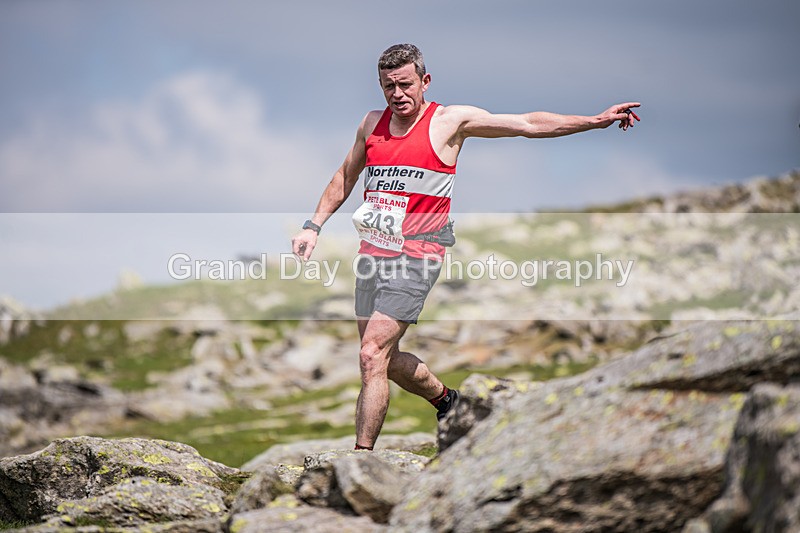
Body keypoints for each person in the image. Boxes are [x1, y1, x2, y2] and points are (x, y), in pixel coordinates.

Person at [292, 43, 640, 451]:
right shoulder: (372, 124)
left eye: (405, 85)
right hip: (373, 254)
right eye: (388, 87)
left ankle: (361, 459)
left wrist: (595, 121)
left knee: (371, 355)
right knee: (384, 359)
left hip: (418, 254)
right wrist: (313, 225)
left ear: (425, 81)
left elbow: (527, 123)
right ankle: (449, 402)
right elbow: (345, 176)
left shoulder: (449, 121)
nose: (397, 94)